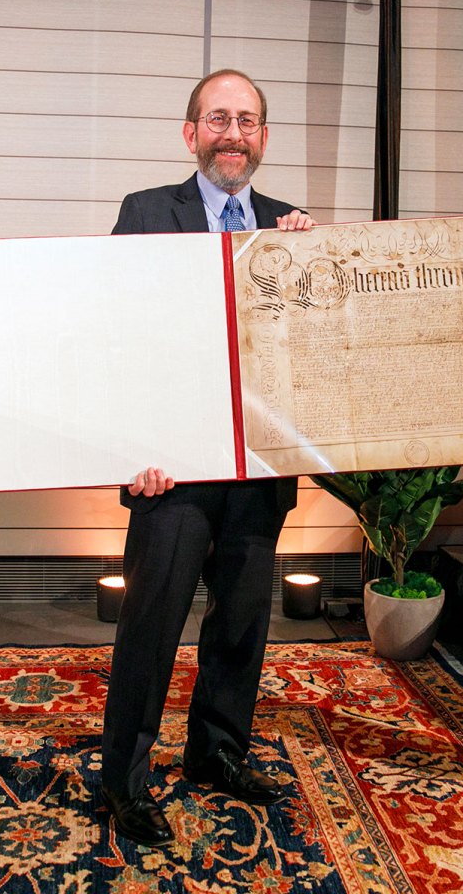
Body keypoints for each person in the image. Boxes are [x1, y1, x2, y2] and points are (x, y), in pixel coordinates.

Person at [100, 69, 313, 849]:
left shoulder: (291, 230)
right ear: (190, 132)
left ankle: (218, 753)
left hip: (258, 466)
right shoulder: (147, 212)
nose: (234, 133)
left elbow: (308, 352)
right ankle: (122, 779)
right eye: (218, 118)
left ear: (263, 137)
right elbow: (115, 335)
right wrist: (131, 448)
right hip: (174, 469)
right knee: (151, 625)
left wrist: (312, 274)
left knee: (243, 624)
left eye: (248, 121)